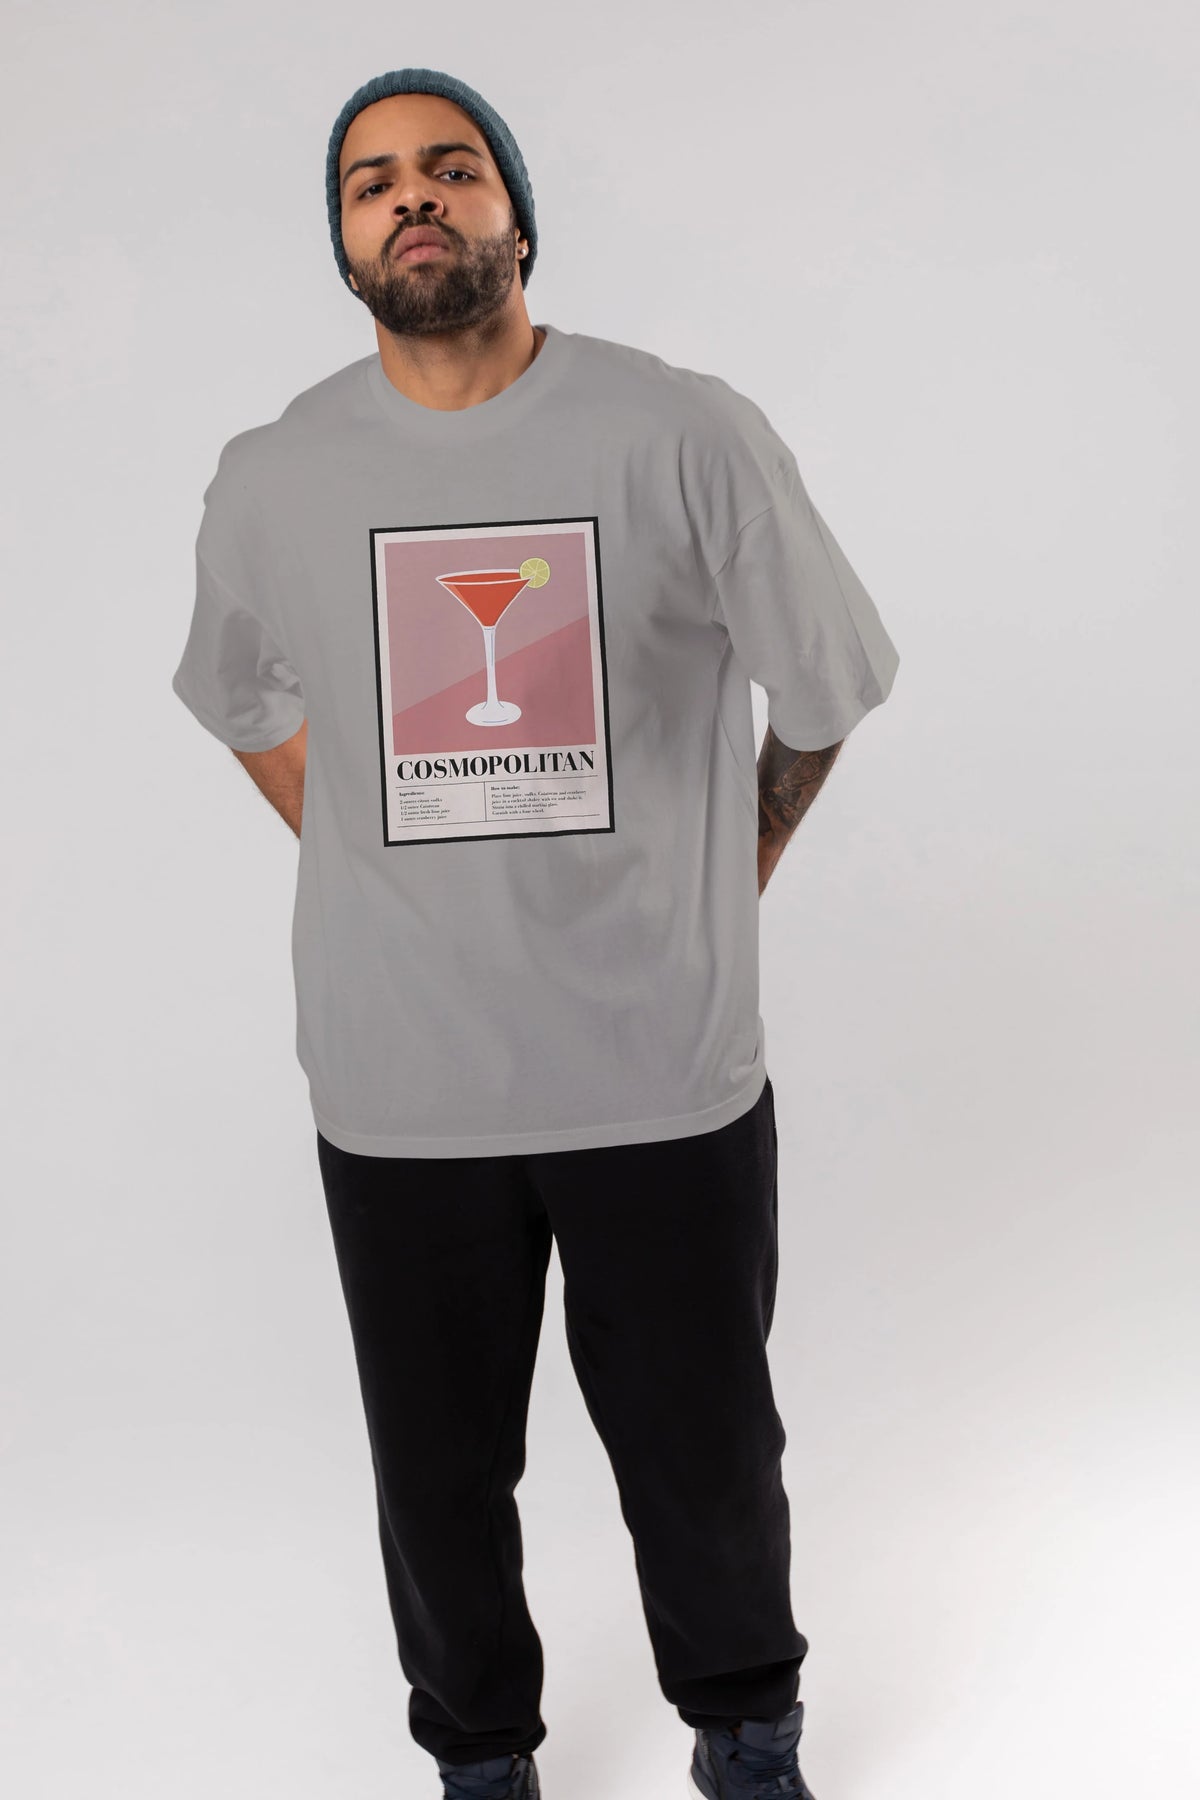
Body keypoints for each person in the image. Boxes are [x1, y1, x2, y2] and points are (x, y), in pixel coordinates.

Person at [170, 65, 900, 1800]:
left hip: (661, 1068)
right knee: (435, 1476)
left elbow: (826, 683)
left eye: (452, 167)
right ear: (344, 243)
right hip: (401, 1088)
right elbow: (240, 696)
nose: (413, 197)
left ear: (516, 213)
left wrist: (738, 862)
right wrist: (366, 852)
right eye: (371, 183)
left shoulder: (681, 433)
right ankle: (481, 1759)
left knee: (705, 1451)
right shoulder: (274, 474)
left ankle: (747, 1732)